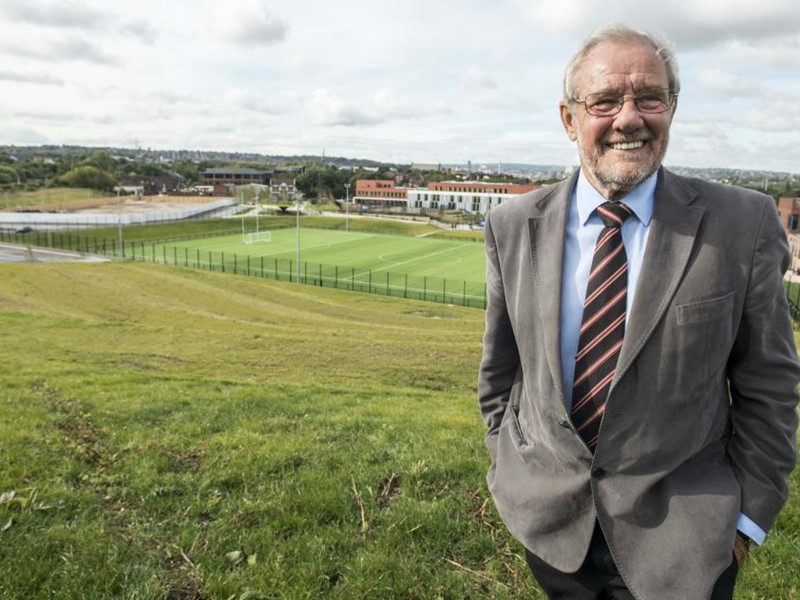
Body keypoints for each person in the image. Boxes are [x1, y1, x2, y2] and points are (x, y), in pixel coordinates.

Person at [477, 23, 800, 600]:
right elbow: (501, 374)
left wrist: (745, 522)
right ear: (569, 119)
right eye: (605, 100)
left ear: (672, 109)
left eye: (649, 97)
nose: (629, 118)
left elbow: (770, 386)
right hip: (553, 530)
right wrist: (513, 468)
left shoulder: (742, 225)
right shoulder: (511, 226)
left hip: (687, 543)